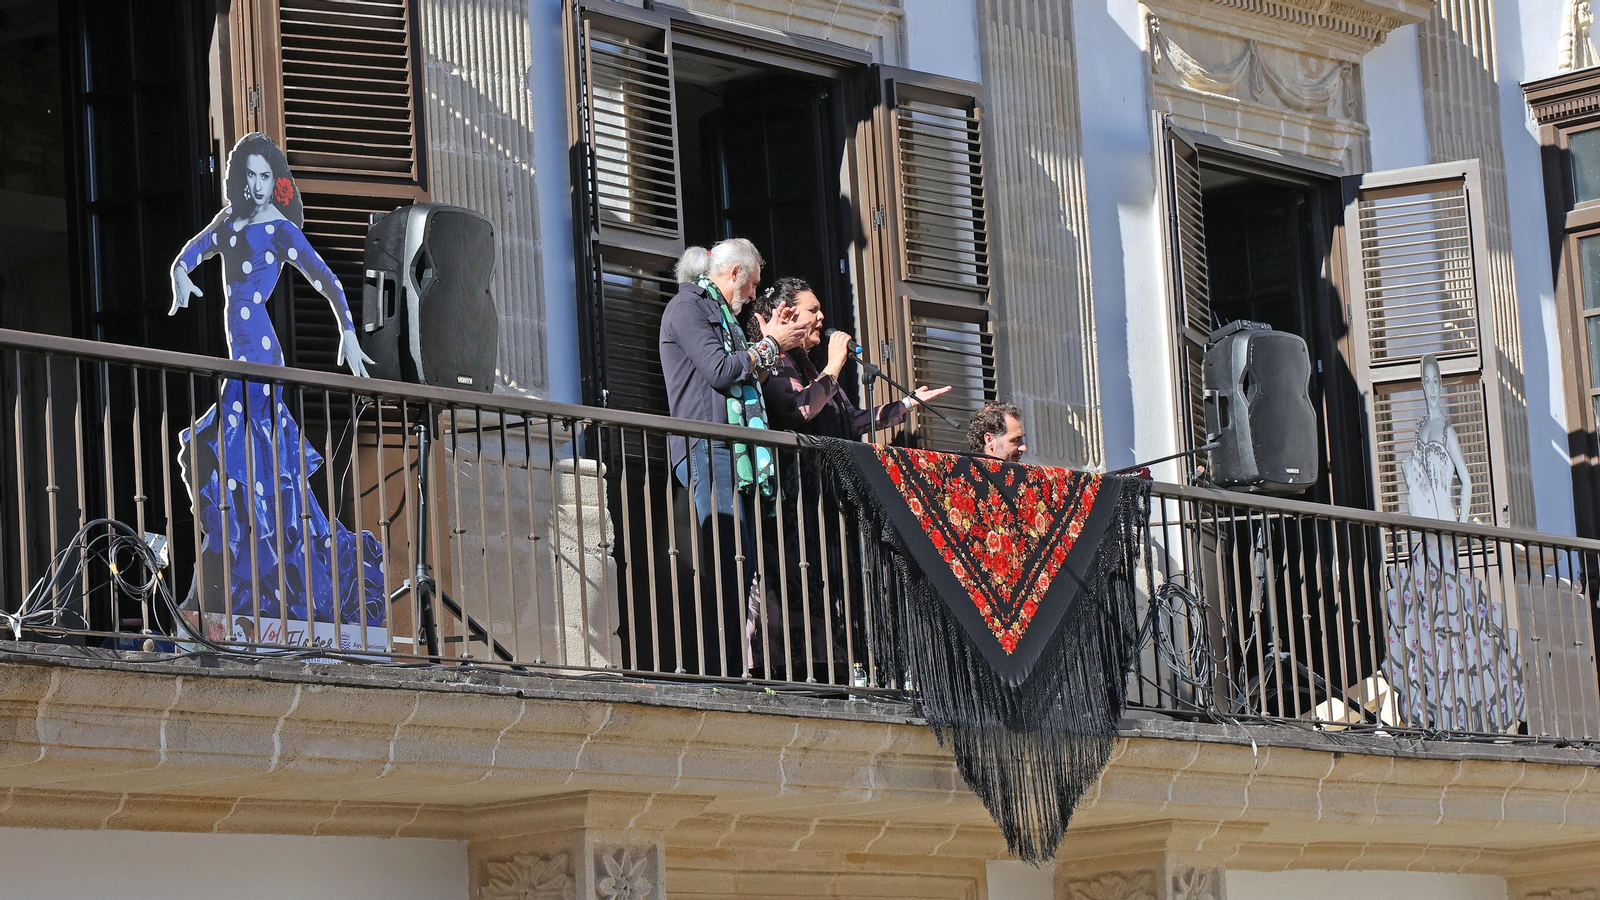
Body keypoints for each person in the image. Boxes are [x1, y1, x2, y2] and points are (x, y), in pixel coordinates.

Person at [167, 132, 384, 631]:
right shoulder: (229, 223)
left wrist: (348, 333)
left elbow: (326, 278)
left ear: (276, 182)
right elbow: (190, 253)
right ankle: (224, 588)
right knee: (236, 463)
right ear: (241, 178)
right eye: (253, 176)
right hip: (244, 359)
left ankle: (238, 586)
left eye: (268, 176)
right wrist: (180, 274)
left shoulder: (280, 229)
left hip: (261, 356)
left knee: (238, 460)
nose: (260, 185)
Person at [658, 239, 808, 677]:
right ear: (734, 274)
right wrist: (771, 344)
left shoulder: (727, 319)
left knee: (743, 561)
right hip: (710, 448)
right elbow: (721, 371)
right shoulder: (687, 308)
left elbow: (750, 373)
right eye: (753, 284)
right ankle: (721, 671)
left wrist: (770, 344)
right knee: (728, 559)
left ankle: (740, 665)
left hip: (734, 451)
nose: (753, 295)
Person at [744, 277, 952, 438]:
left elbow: (850, 421)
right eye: (813, 310)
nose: (821, 316)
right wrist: (834, 365)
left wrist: (906, 403)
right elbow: (799, 409)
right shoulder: (774, 359)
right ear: (787, 314)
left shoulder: (810, 367)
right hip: (798, 481)